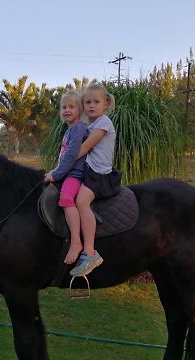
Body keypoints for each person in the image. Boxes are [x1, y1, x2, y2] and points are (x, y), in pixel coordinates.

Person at [70, 81, 121, 277]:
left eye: (96, 102)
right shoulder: (91, 124)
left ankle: (90, 252)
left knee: (81, 202)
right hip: (89, 171)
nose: (91, 105)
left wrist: (64, 163)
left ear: (105, 104)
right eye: (88, 102)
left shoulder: (103, 123)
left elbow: (84, 148)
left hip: (99, 175)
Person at [44, 90, 87, 264]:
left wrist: (56, 174)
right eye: (64, 107)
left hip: (75, 174)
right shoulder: (70, 130)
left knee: (66, 198)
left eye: (71, 106)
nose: (67, 110)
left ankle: (76, 242)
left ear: (80, 110)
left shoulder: (78, 128)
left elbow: (71, 156)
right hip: (67, 173)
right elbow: (63, 158)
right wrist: (53, 171)